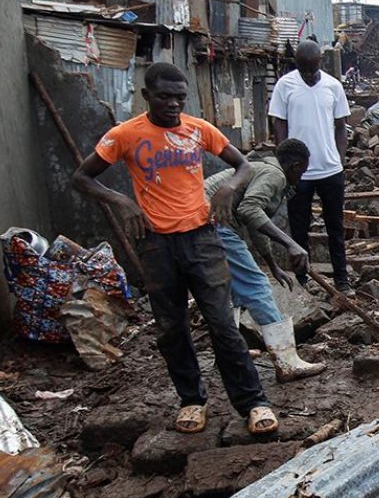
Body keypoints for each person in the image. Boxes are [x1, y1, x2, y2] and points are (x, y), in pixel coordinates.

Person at [72, 63, 277, 435]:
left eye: (180, 97)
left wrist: (231, 187)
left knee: (222, 323)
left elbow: (245, 165)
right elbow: (82, 178)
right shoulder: (125, 134)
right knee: (171, 327)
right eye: (165, 96)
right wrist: (121, 201)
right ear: (147, 95)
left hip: (202, 237)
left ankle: (254, 402)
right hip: (155, 243)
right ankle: (192, 401)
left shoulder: (198, 130)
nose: (173, 104)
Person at [204, 140, 327, 383]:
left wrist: (273, 264)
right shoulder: (274, 174)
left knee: (233, 292)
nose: (301, 178)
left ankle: (228, 353)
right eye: (302, 172)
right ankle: (287, 362)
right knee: (256, 285)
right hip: (212, 222)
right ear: (295, 165)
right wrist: (290, 243)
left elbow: (254, 222)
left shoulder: (263, 169)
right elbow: (250, 210)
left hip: (203, 221)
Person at [269, 40, 353, 293]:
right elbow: (278, 124)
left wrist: (339, 159)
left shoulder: (333, 86)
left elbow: (341, 126)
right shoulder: (285, 85)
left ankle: (342, 279)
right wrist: (284, 162)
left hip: (330, 170)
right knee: (299, 228)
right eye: (302, 68)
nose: (307, 73)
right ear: (296, 64)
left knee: (335, 228)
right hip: (298, 174)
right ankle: (303, 280)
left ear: (321, 62)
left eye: (311, 68)